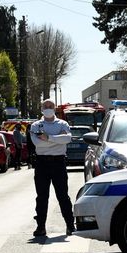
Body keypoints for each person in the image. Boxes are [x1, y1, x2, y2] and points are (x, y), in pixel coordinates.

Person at [29, 99, 75, 237]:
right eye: (45, 106)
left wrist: (48, 137)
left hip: (59, 163)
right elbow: (37, 143)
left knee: (63, 196)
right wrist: (56, 140)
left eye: (51, 106)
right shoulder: (36, 125)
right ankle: (41, 227)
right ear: (41, 108)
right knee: (42, 197)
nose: (48, 108)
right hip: (42, 164)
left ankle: (70, 225)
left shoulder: (63, 124)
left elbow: (67, 139)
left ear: (54, 108)